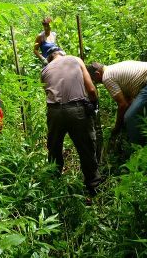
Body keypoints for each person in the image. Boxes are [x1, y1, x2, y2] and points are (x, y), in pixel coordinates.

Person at [41, 46, 102, 195]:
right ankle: (93, 186)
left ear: (49, 58)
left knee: (54, 149)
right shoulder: (75, 60)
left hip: (54, 111)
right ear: (62, 53)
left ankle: (54, 188)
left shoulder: (45, 70)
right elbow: (92, 90)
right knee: (86, 148)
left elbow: (48, 91)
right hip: (77, 110)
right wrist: (93, 105)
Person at [87, 60, 147, 146]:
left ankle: (140, 150)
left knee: (130, 116)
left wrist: (117, 127)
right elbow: (129, 101)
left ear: (98, 74)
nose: (95, 83)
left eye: (93, 80)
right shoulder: (113, 69)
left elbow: (123, 105)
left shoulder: (107, 77)